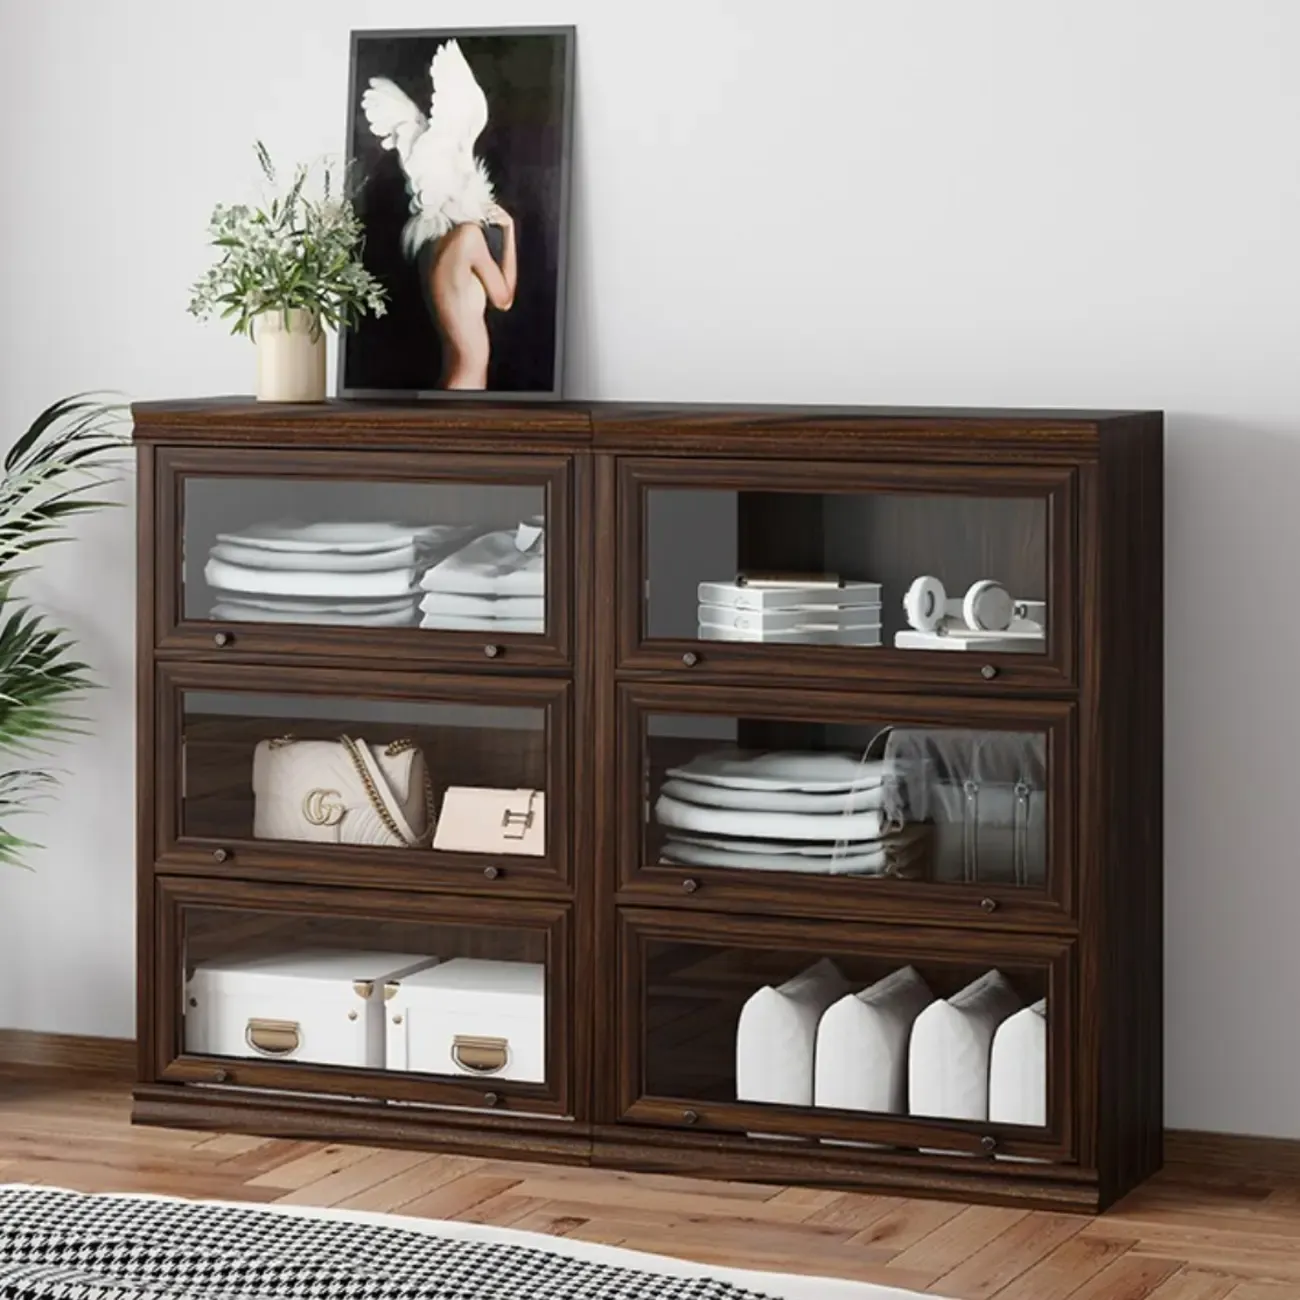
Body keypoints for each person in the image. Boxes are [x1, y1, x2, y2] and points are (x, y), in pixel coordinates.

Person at [425, 204, 517, 390]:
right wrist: (509, 229)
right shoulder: (468, 236)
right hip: (465, 384)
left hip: (458, 382)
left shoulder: (433, 244)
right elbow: (504, 300)